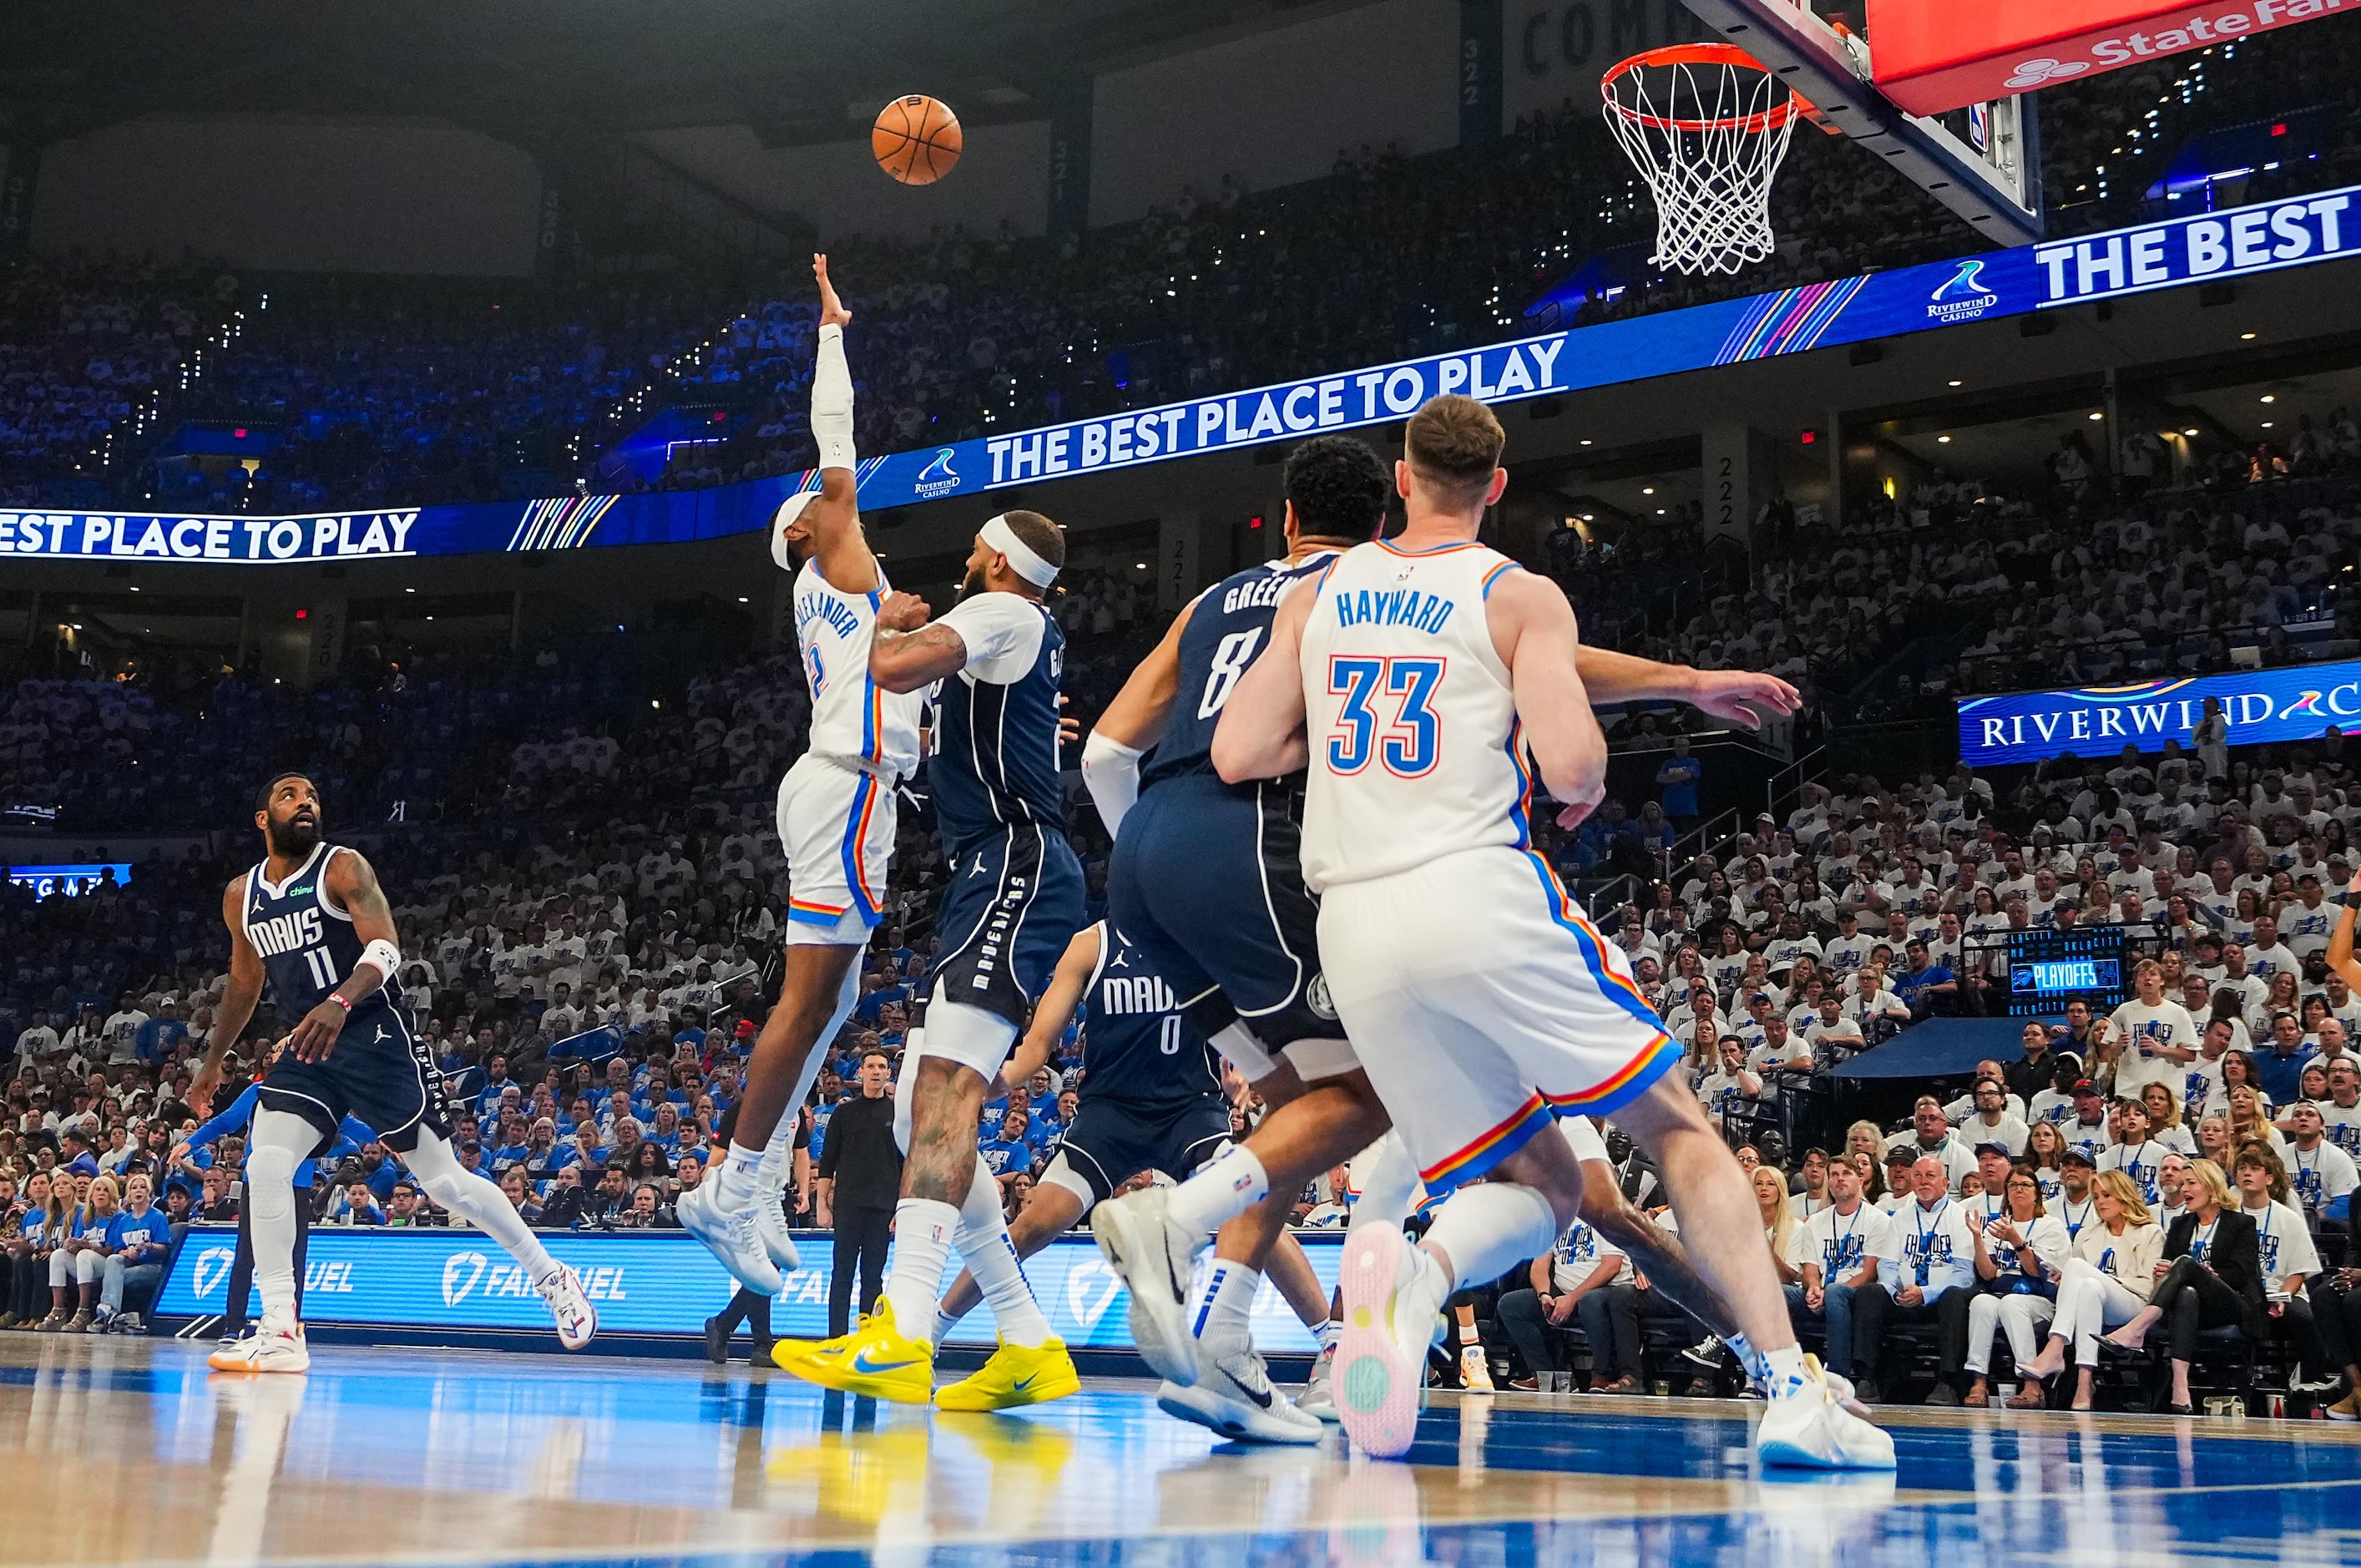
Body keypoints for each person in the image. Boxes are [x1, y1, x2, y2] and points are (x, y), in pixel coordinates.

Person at [1192, 393, 1888, 1467]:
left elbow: (1239, 751)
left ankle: (1411, 1280)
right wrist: (1572, 753)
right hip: (1474, 893)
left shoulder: (1324, 592)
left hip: (1357, 929)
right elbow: (1569, 767)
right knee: (1678, 1131)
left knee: (1546, 1185)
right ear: (1498, 487)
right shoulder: (1520, 596)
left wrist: (1340, 748)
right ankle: (1791, 1388)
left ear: (1401, 478)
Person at [779, 503, 1085, 1410]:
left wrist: (886, 624)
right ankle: (1027, 1341)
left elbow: (893, 666)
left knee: (946, 1088)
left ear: (995, 559)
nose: (962, 558)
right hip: (992, 870)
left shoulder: (1001, 612)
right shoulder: (1011, 628)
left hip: (1012, 867)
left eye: (973, 548)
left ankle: (900, 1331)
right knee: (924, 1113)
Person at [681, 256, 924, 1300]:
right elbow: (837, 446)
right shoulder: (831, 553)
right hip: (841, 787)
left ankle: (754, 1176)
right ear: (799, 536)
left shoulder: (848, 595)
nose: (836, 505)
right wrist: (831, 333)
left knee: (834, 1001)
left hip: (849, 786)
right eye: (818, 508)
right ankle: (730, 1187)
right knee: (809, 996)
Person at [191, 773, 595, 1373]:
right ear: (262, 819)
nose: (306, 803)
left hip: (373, 1036)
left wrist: (340, 1001)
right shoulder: (240, 895)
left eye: (313, 797)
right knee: (266, 1162)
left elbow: (385, 949)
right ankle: (280, 1328)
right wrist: (213, 1060)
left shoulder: (343, 867)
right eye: (290, 796)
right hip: (308, 1044)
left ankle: (551, 1275)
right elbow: (245, 984)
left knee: (444, 1184)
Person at [934, 922, 1332, 1441]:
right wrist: (1002, 1078)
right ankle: (931, 1333)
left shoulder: (1198, 930)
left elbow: (1242, 1010)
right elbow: (1038, 1043)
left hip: (1189, 1108)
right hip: (1110, 1115)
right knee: (1035, 1224)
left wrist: (1247, 1069)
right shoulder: (1090, 944)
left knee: (1253, 1205)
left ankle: (1333, 1346)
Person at [173, 1075, 370, 1342]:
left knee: (295, 1256)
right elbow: (227, 1120)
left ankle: (288, 1326)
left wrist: (399, 1139)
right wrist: (190, 1142)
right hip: (258, 1181)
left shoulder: (321, 1092)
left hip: (297, 1185)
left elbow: (352, 1126)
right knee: (246, 1253)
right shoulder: (259, 1090)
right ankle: (234, 1325)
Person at [2100, 1158, 2264, 1415]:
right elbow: (2167, 1266)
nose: (2183, 1189)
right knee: (2186, 1292)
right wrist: (2163, 1272)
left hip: (2230, 1302)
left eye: (2191, 1183)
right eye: (2182, 1183)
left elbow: (2241, 1274)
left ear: (2211, 1187)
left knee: (2187, 1264)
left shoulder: (2240, 1224)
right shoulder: (2181, 1225)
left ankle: (2137, 1327)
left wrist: (2208, 1273)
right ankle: (2180, 1386)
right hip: (2192, 1305)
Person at [2014, 1171, 2166, 1411]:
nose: (2100, 1202)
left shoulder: (2150, 1232)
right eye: (2095, 1197)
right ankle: (2084, 1384)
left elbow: (2150, 1286)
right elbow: (2082, 1284)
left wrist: (2109, 1281)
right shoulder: (2087, 1234)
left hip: (2133, 1305)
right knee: (2089, 1288)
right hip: (2093, 1303)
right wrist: (2065, 1281)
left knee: (2080, 1270)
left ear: (2124, 1196)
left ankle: (2055, 1347)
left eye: (2107, 1195)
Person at [1852, 1154, 1979, 1404]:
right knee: (1869, 1293)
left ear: (1944, 1182)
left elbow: (1964, 1275)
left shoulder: (1960, 1216)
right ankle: (1867, 1379)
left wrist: (1926, 1293)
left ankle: (1948, 1383)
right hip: (1904, 1298)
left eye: (1930, 1176)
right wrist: (1895, 1290)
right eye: (1918, 1176)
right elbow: (1887, 1265)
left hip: (1940, 1302)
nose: (1923, 1182)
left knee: (1954, 1296)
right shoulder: (1900, 1217)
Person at [1958, 1167, 2069, 1408]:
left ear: (2037, 1193)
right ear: (2006, 1193)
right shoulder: (1998, 1226)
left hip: (2041, 1299)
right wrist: (1977, 1237)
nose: (2018, 1189)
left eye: (2025, 1184)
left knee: (2012, 1303)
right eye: (2013, 1185)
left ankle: (2032, 1383)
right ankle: (1979, 1383)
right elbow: (1988, 1273)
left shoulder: (2051, 1226)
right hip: (2003, 1294)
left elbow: (2037, 1272)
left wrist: (2017, 1241)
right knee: (1981, 1302)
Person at [815, 1049, 900, 1339]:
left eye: (882, 1067)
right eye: (871, 1066)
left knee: (873, 1277)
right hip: (848, 1206)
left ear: (889, 1073)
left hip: (883, 1207)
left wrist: (902, 1209)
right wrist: (822, 1205)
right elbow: (827, 1162)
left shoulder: (899, 1114)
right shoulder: (844, 1113)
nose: (876, 1071)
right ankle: (836, 1339)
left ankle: (867, 1338)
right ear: (860, 1072)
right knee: (842, 1275)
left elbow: (908, 1164)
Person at [1786, 1152, 1892, 1385]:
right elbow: (1810, 1268)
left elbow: (1868, 1273)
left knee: (1834, 1291)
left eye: (1846, 1174)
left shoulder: (1877, 1219)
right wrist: (1814, 1288)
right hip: (1822, 1293)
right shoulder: (1815, 1222)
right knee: (1777, 1293)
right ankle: (1781, 1368)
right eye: (1833, 1175)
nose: (1839, 1179)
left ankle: (1838, 1374)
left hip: (1855, 1295)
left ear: (1860, 1180)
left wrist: (1828, 1291)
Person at [1496, 1214, 1626, 1390]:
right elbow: (1539, 1266)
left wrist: (1573, 1298)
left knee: (1591, 1300)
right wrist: (1544, 1295)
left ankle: (1603, 1375)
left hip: (1609, 1294)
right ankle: (1545, 1376)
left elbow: (1611, 1266)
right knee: (1511, 1305)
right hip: (1563, 1294)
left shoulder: (1608, 1217)